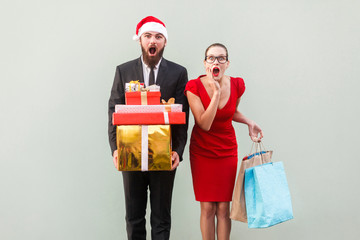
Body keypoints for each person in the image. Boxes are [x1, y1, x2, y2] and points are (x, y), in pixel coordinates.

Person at [108, 16, 189, 240]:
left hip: (164, 154)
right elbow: (113, 110)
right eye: (148, 36)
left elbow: (183, 115)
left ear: (164, 42)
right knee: (134, 216)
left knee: (161, 217)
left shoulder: (178, 72)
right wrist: (116, 149)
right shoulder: (123, 71)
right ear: (140, 41)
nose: (152, 40)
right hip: (130, 152)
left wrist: (178, 152)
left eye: (158, 36)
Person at [184, 43, 263, 240]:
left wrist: (248, 122)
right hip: (202, 150)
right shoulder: (193, 87)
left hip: (227, 149)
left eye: (220, 58)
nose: (215, 61)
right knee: (208, 207)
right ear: (205, 63)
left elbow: (230, 112)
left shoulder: (237, 85)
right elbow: (204, 123)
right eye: (211, 58)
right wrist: (216, 92)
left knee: (223, 208)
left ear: (227, 63)